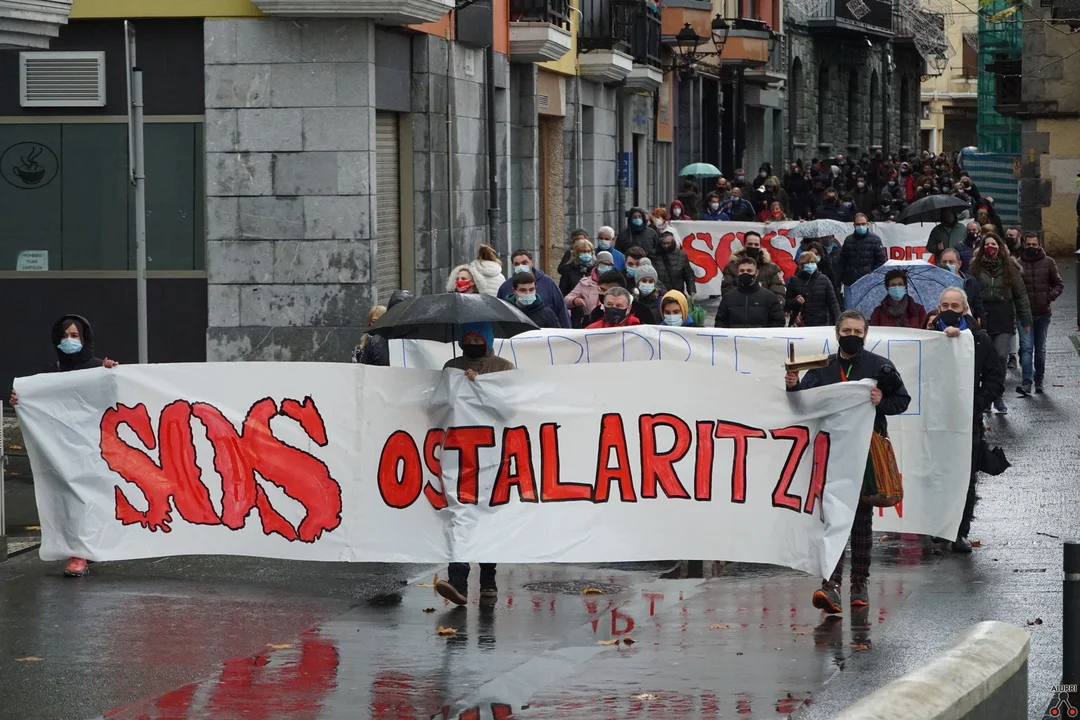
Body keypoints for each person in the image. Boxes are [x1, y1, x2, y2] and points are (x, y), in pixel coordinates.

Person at [786, 310, 910, 611]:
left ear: (865, 335)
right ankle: (831, 585)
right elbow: (803, 405)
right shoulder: (823, 367)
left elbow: (902, 400)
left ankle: (859, 584)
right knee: (834, 516)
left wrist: (882, 401)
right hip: (831, 452)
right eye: (846, 331)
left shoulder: (880, 366)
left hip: (867, 451)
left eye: (857, 331)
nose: (851, 336)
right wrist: (793, 386)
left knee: (861, 518)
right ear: (837, 333)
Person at [9, 315, 120, 577]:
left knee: (88, 499)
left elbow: (115, 399)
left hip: (92, 447)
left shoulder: (99, 368)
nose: (68, 340)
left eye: (74, 336)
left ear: (84, 338)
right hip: (60, 449)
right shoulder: (50, 372)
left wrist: (113, 374)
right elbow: (36, 403)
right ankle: (79, 552)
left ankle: (84, 551)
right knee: (68, 499)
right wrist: (20, 400)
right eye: (64, 336)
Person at [435, 322, 514, 606]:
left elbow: (509, 407)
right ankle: (457, 580)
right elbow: (439, 405)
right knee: (459, 513)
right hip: (459, 453)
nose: (471, 343)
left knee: (487, 514)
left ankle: (488, 578)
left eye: (477, 338)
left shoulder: (503, 367)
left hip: (492, 453)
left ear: (487, 339)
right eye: (466, 338)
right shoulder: (452, 366)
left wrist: (480, 386)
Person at [926, 289, 1004, 552]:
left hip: (967, 420)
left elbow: (995, 379)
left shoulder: (979, 340)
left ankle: (960, 531)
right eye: (945, 305)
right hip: (933, 420)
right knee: (935, 474)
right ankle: (937, 528)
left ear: (964, 309)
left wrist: (976, 404)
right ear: (938, 307)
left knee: (965, 476)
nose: (949, 310)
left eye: (955, 305)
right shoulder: (926, 338)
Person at [970, 235, 1032, 414]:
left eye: (993, 244)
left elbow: (1020, 294)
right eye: (987, 244)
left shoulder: (1010, 266)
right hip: (983, 316)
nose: (990, 247)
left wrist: (1025, 319)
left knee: (1001, 356)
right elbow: (970, 292)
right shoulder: (975, 267)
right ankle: (986, 397)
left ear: (1000, 247)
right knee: (984, 358)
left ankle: (997, 395)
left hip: (1004, 315)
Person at [1016, 232, 1064, 395]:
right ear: (1024, 245)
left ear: (1040, 245)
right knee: (1026, 348)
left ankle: (1039, 380)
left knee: (1040, 350)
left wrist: (1048, 297)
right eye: (1028, 244)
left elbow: (1059, 284)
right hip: (1024, 315)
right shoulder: (1018, 263)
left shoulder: (1049, 262)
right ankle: (1026, 382)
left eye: (1034, 244)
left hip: (1043, 313)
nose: (1031, 247)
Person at [497, 249, 570, 329]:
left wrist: (566, 332)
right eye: (517, 264)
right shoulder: (505, 287)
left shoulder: (548, 283)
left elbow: (561, 310)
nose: (521, 266)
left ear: (532, 262)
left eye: (524, 263)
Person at [714, 257, 785, 328]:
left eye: (749, 271)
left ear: (756, 273)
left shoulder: (769, 297)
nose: (745, 273)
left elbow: (778, 322)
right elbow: (720, 322)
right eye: (742, 271)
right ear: (738, 273)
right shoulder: (729, 297)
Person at [720, 231, 785, 302]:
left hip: (765, 306)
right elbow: (727, 291)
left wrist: (773, 305)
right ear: (744, 245)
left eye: (756, 244)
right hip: (739, 306)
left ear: (760, 246)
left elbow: (778, 292)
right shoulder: (731, 267)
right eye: (750, 244)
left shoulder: (773, 268)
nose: (753, 246)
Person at [786, 251, 840, 327]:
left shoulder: (824, 279)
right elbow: (787, 303)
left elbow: (833, 302)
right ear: (801, 266)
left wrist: (838, 320)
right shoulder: (794, 281)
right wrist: (796, 300)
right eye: (807, 263)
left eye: (812, 262)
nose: (810, 265)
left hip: (821, 323)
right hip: (801, 323)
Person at [589, 269, 657, 326]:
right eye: (600, 289)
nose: (601, 293)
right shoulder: (596, 312)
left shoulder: (642, 310)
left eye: (605, 290)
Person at [938, 248, 985, 328]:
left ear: (959, 264)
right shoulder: (934, 282)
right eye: (944, 262)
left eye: (951, 262)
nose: (947, 264)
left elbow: (978, 308)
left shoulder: (970, 282)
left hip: (967, 325)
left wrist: (981, 327)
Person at [837, 214, 886, 289]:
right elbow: (842, 262)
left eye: (863, 224)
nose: (861, 226)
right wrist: (839, 280)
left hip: (868, 283)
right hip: (850, 282)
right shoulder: (848, 240)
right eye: (858, 224)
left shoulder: (875, 240)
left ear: (868, 224)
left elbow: (881, 261)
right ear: (854, 225)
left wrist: (871, 275)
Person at [653, 230, 697, 298]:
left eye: (668, 243)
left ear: (673, 242)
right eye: (664, 243)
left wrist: (691, 290)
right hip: (660, 293)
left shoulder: (681, 255)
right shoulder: (654, 256)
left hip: (677, 292)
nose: (666, 246)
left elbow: (688, 274)